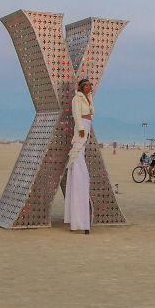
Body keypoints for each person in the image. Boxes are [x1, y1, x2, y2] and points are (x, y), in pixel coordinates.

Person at [65, 78, 93, 234]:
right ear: (82, 87)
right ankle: (78, 168)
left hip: (87, 126)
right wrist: (81, 128)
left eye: (90, 85)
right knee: (78, 149)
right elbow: (76, 114)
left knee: (81, 149)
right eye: (87, 85)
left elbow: (90, 111)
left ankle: (79, 167)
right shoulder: (77, 98)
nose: (89, 87)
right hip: (82, 126)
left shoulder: (87, 98)